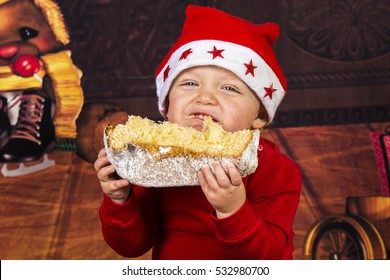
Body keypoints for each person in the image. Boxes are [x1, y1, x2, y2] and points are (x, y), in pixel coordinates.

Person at [94, 4, 302, 260]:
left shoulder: (277, 170)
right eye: (190, 83)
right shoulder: (153, 159)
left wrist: (233, 210)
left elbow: (268, 259)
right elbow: (132, 246)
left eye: (229, 88)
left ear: (259, 115)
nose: (205, 98)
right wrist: (120, 200)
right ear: (167, 105)